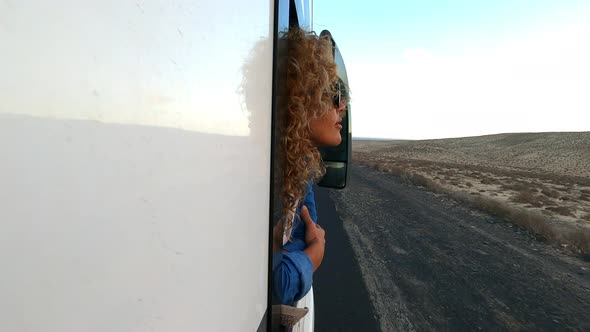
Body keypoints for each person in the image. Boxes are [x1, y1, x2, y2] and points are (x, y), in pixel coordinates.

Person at [272, 26, 348, 308]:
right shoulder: (273, 174)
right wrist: (314, 254)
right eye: (333, 94)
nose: (343, 106)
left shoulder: (297, 165)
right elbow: (274, 284)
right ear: (301, 101)